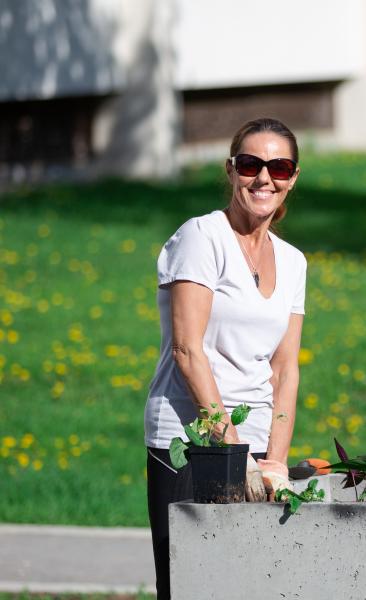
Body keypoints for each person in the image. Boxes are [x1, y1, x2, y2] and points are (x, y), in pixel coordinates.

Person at [143, 117, 306, 599]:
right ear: (231, 169)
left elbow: (285, 368)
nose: (264, 178)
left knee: (249, 587)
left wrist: (274, 461)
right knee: (189, 587)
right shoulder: (202, 237)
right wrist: (235, 457)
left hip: (254, 445)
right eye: (252, 164)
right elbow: (188, 350)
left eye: (279, 167)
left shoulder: (294, 261)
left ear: (292, 177)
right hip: (189, 441)